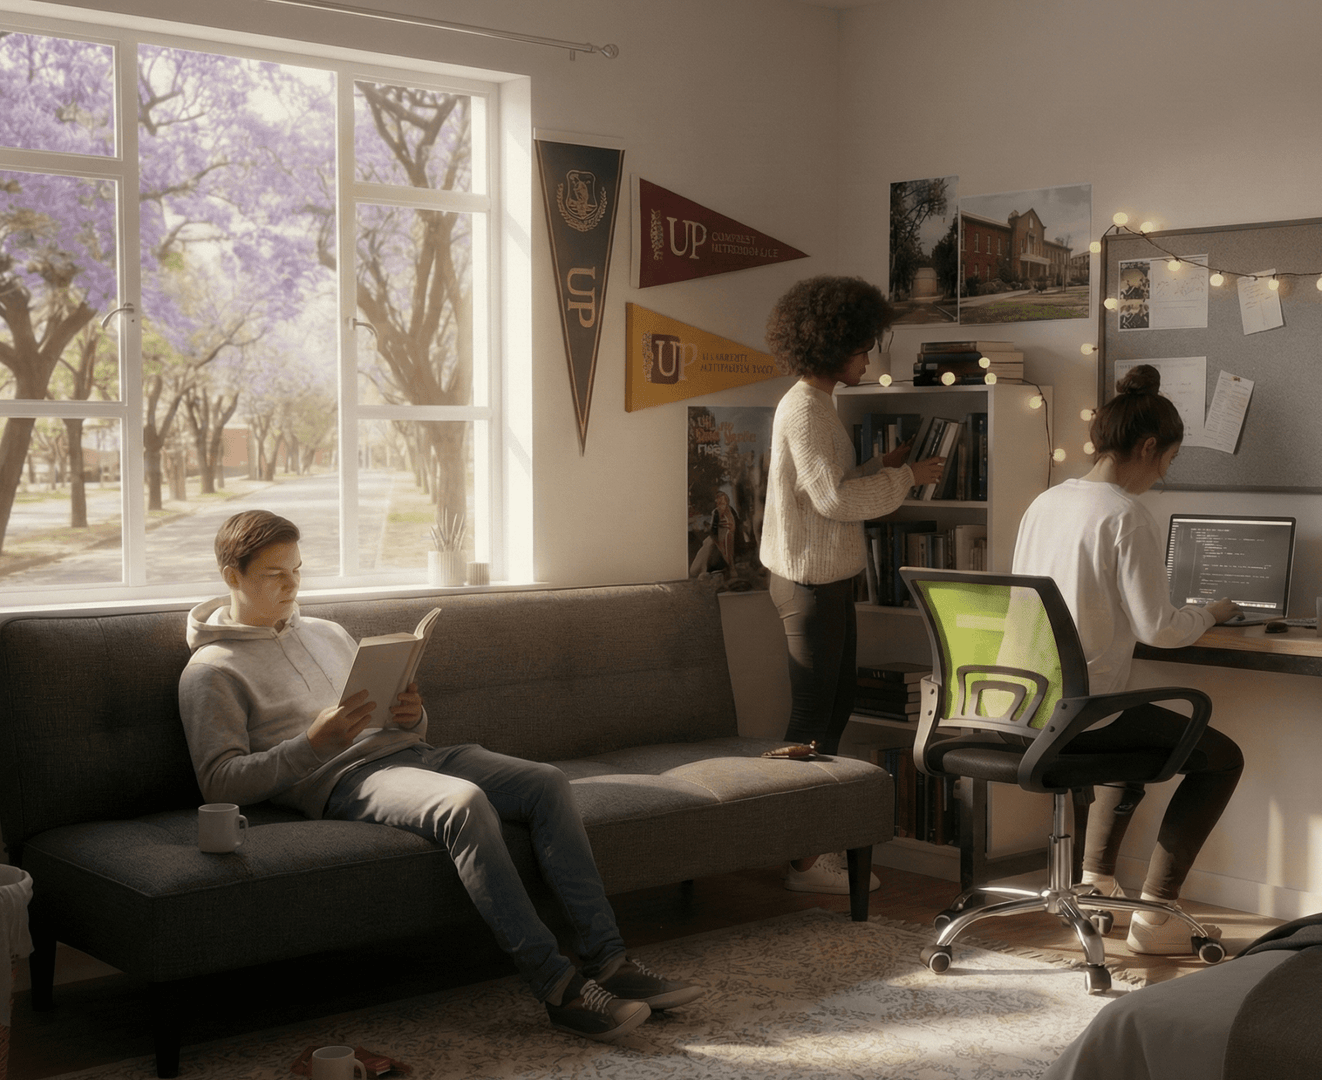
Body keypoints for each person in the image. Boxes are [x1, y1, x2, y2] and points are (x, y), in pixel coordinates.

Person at [177, 510, 702, 1042]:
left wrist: (411, 714)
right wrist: (311, 746)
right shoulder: (211, 670)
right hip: (348, 779)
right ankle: (557, 987)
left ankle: (610, 963)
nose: (292, 585)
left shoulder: (326, 631)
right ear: (232, 576)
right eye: (274, 574)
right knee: (463, 803)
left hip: (415, 751)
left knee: (546, 781)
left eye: (297, 569)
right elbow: (220, 782)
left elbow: (386, 714)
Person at [1011, 363, 1245, 955]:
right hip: (1081, 713)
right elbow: (1159, 629)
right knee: (1220, 757)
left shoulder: (1045, 502)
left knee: (1130, 724)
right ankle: (1157, 916)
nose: (1163, 476)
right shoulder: (1125, 514)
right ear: (1146, 447)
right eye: (1167, 462)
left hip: (1022, 702)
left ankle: (1095, 882)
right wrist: (1213, 613)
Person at [759, 275, 946, 895]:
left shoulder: (818, 406)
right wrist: (910, 477)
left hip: (829, 580)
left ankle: (809, 851)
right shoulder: (806, 409)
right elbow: (835, 500)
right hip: (809, 584)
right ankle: (799, 858)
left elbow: (826, 489)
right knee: (814, 718)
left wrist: (879, 469)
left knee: (833, 711)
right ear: (832, 344)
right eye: (863, 348)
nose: (869, 359)